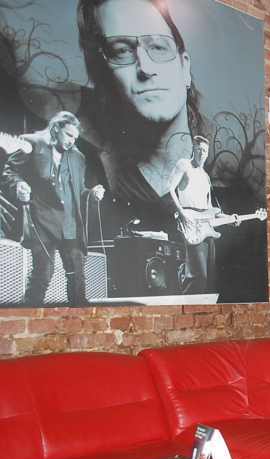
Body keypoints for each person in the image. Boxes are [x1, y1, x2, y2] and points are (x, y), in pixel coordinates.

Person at [77, 0, 209, 294]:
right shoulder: (99, 184)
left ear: (184, 66)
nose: (146, 68)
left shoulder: (224, 183)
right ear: (101, 75)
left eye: (158, 47)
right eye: (121, 50)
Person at [0, 111, 105, 305]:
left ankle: (79, 319)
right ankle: (29, 317)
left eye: (75, 137)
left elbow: (79, 191)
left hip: (70, 225)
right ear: (56, 128)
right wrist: (19, 185)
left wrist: (92, 193)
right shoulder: (32, 143)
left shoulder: (78, 158)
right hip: (42, 222)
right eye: (68, 135)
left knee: (77, 278)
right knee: (43, 274)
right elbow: (9, 172)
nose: (72, 141)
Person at [168, 135, 228, 294]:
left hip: (205, 226)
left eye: (205, 150)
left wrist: (229, 218)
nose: (202, 153)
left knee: (209, 281)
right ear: (193, 149)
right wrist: (181, 212)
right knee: (198, 277)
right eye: (199, 149)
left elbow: (209, 208)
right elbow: (171, 188)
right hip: (190, 224)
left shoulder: (205, 176)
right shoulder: (184, 165)